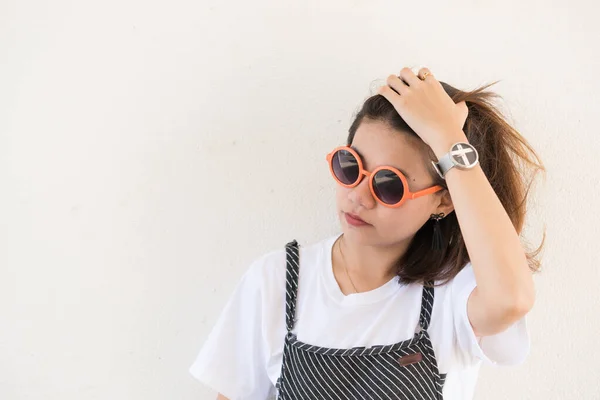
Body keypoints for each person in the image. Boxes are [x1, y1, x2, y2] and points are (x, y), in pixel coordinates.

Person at [189, 67, 546, 400]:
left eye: (389, 185)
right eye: (349, 166)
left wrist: (448, 139)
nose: (357, 196)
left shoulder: (452, 295)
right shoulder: (276, 282)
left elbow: (511, 300)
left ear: (444, 201)